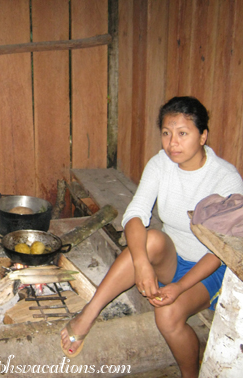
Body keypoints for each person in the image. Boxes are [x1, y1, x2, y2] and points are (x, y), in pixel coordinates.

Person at [60, 96, 243, 377]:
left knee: (167, 316)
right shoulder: (161, 163)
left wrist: (180, 287)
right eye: (167, 134)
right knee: (149, 239)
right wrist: (142, 263)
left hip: (209, 268)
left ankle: (189, 375)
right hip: (173, 257)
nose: (173, 143)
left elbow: (220, 253)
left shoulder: (225, 179)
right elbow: (134, 215)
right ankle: (88, 314)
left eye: (183, 134)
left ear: (203, 136)